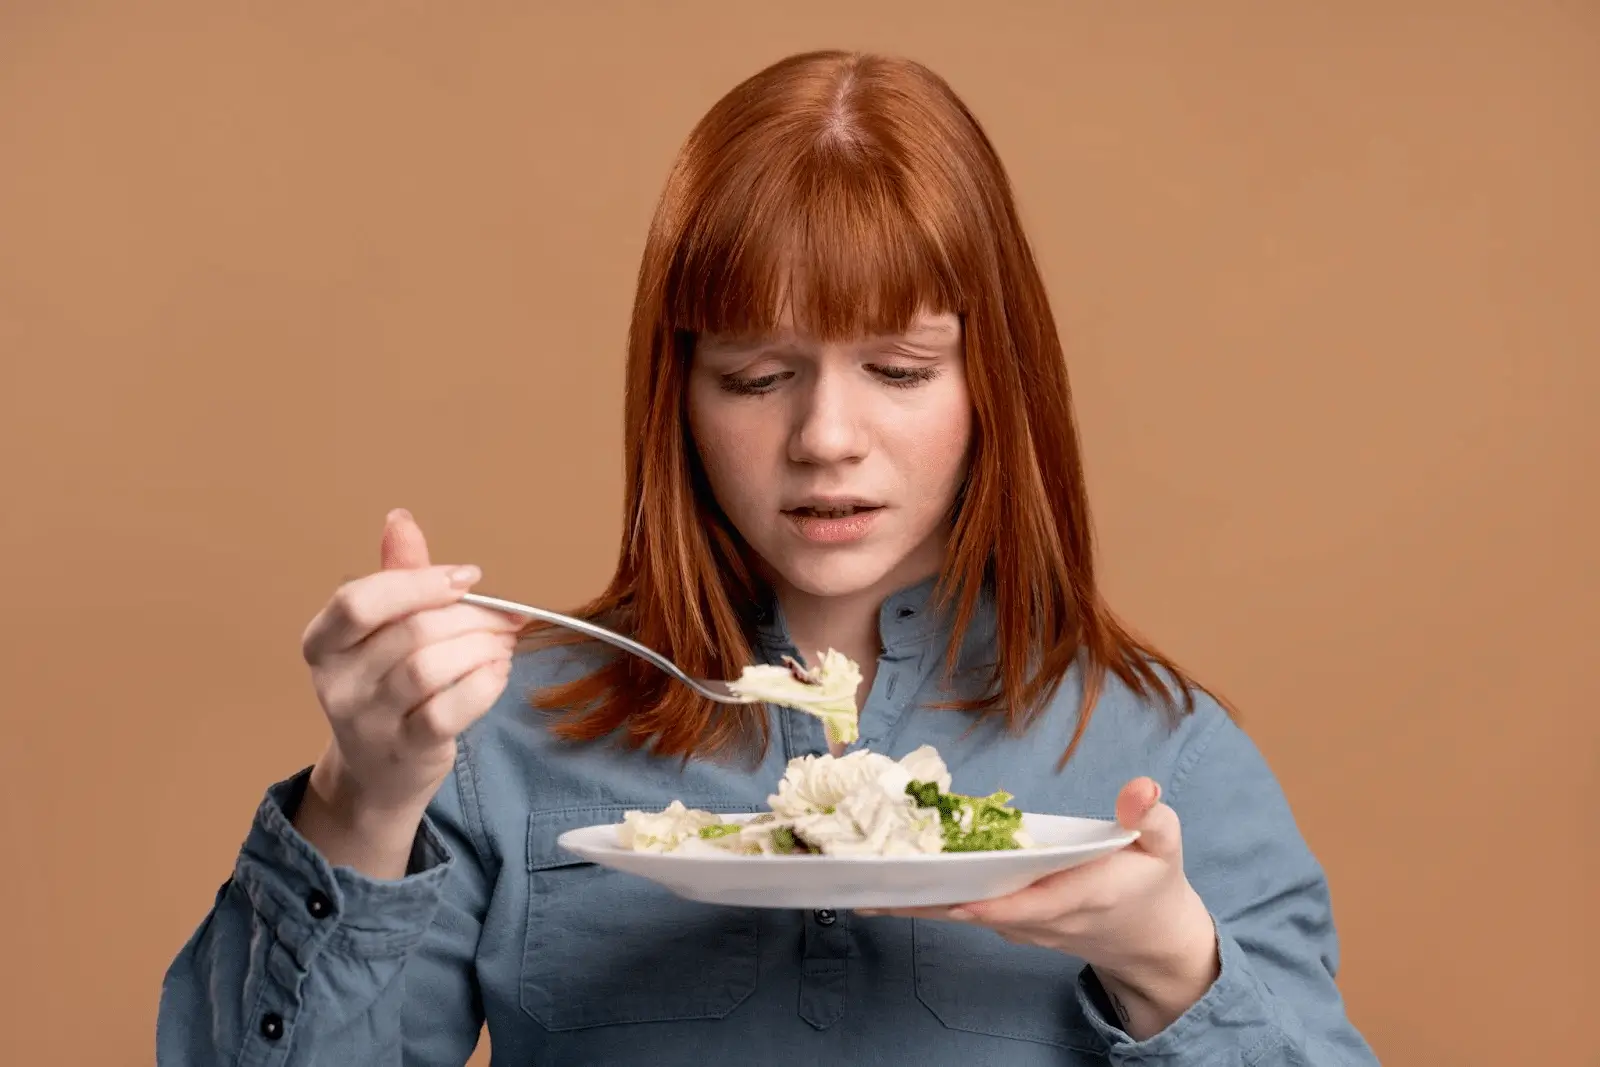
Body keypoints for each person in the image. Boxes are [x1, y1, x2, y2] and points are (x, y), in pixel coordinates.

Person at [157, 50, 1380, 1066]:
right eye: (756, 376)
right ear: (677, 396)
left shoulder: (1160, 757)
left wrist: (1172, 960)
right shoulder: (501, 749)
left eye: (898, 372)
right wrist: (362, 798)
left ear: (993, 386)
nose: (826, 441)